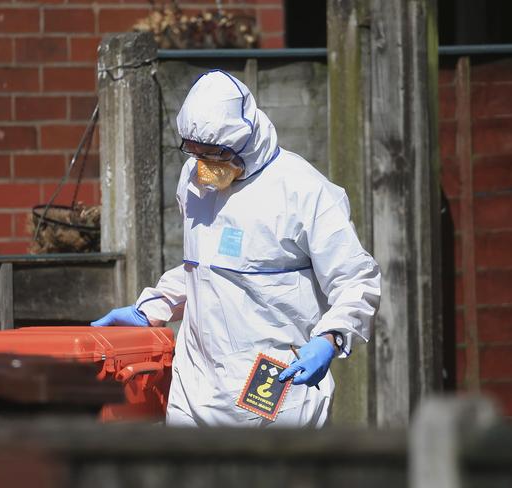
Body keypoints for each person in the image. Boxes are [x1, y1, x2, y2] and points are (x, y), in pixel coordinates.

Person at [92, 70, 381, 427]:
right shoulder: (194, 180)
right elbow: (203, 266)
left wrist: (331, 337)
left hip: (272, 384)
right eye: (195, 151)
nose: (205, 165)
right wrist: (154, 305)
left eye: (215, 154)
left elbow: (357, 281)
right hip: (195, 385)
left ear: (245, 140)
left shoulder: (304, 191)